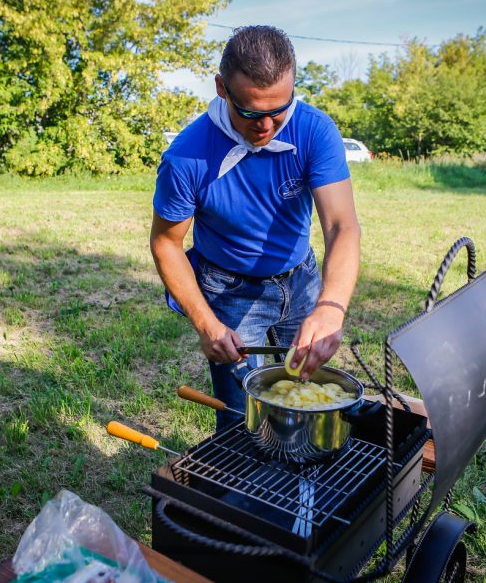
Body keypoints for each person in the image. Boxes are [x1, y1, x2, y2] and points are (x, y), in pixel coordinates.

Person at [150, 25, 361, 430]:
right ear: (221, 88)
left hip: (301, 279)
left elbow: (341, 227)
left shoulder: (315, 130)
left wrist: (330, 309)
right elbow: (166, 243)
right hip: (228, 288)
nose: (265, 126)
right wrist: (206, 324)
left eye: (278, 110)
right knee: (242, 419)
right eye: (250, 111)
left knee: (305, 400)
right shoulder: (186, 157)